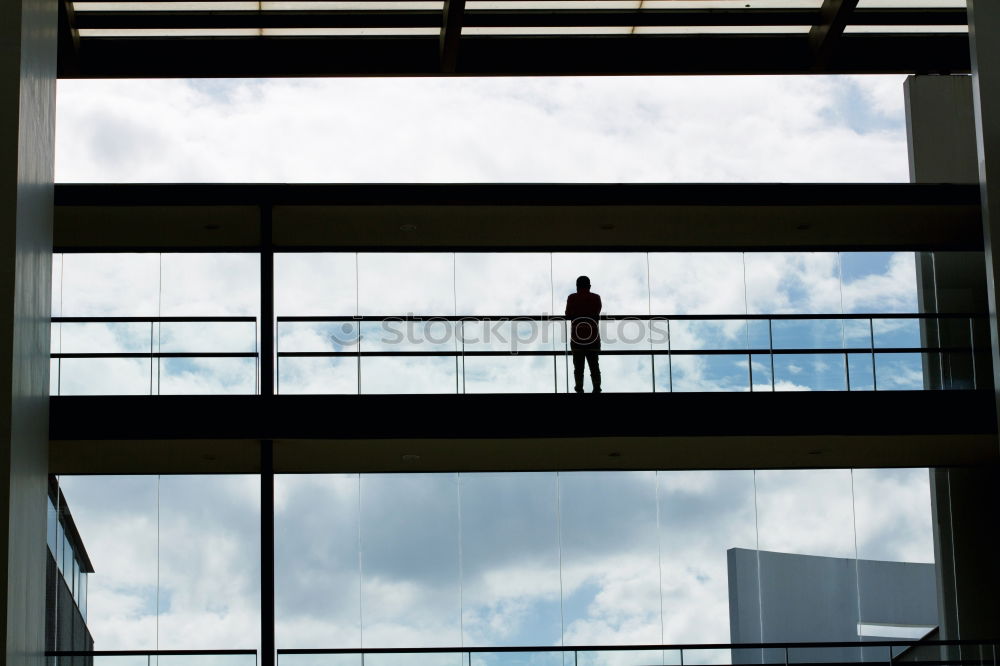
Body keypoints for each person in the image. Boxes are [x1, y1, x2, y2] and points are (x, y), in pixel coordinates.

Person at [565, 275, 602, 393]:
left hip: (577, 337)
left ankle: (579, 388)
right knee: (594, 366)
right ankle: (597, 388)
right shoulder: (596, 298)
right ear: (589, 286)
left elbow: (567, 314)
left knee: (578, 367)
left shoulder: (572, 298)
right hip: (593, 337)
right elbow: (597, 312)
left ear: (577, 286)